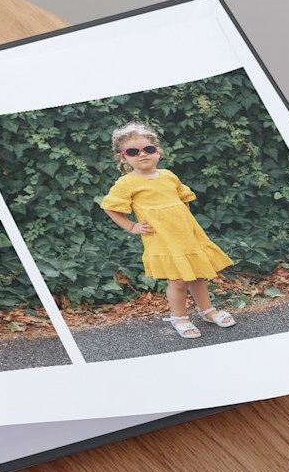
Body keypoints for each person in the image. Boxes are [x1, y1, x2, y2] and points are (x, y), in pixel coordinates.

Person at [98, 123, 237, 339]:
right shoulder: (127, 183)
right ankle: (179, 317)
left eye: (148, 149)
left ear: (158, 151)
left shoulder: (168, 175)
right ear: (123, 157)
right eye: (133, 152)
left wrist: (187, 224)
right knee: (178, 280)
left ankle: (207, 310)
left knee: (198, 275)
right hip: (162, 238)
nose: (142, 154)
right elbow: (110, 207)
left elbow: (183, 200)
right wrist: (132, 227)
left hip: (187, 235)